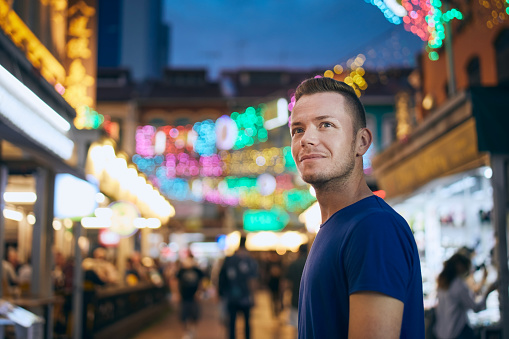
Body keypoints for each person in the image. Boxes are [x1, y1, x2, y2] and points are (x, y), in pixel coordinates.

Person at [290, 77, 424, 338]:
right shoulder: (334, 228)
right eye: (298, 129)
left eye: (326, 125)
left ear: (361, 142)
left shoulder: (374, 228)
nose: (307, 139)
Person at [433, 253, 498, 339]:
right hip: (456, 333)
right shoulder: (458, 284)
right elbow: (476, 307)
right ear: (460, 266)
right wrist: (488, 292)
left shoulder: (442, 284)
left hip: (441, 334)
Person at [218, 236, 258, 339]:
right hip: (245, 297)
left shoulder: (229, 260)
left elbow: (221, 278)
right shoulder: (250, 261)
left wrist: (221, 293)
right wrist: (253, 297)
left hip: (231, 296)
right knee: (247, 323)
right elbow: (252, 281)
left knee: (232, 323)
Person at [176, 255, 205, 339]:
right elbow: (176, 281)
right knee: (183, 315)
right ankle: (186, 332)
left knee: (194, 314)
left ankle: (192, 329)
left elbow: (201, 282)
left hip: (194, 297)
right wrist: (177, 293)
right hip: (184, 296)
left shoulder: (197, 271)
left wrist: (199, 292)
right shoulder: (181, 271)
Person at [282, 243, 308, 336]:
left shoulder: (293, 265)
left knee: (296, 328)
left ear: (299, 252)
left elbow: (287, 284)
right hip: (308, 301)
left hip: (295, 300)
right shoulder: (311, 263)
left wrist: (283, 299)